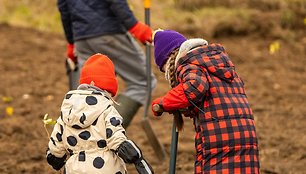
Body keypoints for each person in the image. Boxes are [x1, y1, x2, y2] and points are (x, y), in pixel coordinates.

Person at [151, 30, 260, 173]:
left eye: (165, 70)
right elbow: (209, 98)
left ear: (170, 59)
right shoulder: (215, 64)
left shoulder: (189, 64)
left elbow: (195, 87)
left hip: (220, 138)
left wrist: (165, 102)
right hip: (244, 136)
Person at [46, 53, 154, 174]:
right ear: (109, 86)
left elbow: (56, 144)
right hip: (105, 168)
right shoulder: (107, 110)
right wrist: (137, 158)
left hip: (75, 168)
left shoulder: (67, 111)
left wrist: (55, 158)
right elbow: (116, 139)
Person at [57, 0, 157, 128]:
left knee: (89, 91)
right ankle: (108, 131)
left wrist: (71, 42)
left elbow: (64, 8)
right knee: (144, 83)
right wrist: (134, 26)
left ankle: (84, 138)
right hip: (109, 33)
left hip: (81, 39)